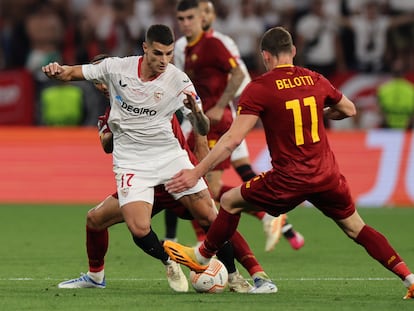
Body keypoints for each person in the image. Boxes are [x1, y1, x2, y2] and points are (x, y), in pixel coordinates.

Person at [163, 26, 414, 299]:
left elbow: (232, 139)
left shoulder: (259, 88)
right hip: (327, 175)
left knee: (229, 201)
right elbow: (349, 109)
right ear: (293, 51)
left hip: (289, 178)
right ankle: (409, 278)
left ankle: (203, 255)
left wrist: (197, 171)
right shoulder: (314, 78)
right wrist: (321, 113)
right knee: (356, 227)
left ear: (265, 56)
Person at [51, 47, 274, 293]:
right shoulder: (110, 115)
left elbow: (199, 128)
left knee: (213, 218)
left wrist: (201, 164)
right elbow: (106, 145)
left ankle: (248, 274)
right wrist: (118, 122)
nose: (103, 85)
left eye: (106, 79)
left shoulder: (151, 95)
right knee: (95, 219)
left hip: (175, 177)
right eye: (98, 82)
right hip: (143, 184)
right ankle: (100, 276)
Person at [169, 0, 304, 252]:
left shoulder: (220, 43)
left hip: (225, 117)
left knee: (208, 184)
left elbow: (239, 74)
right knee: (196, 179)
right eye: (182, 18)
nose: (190, 22)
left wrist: (224, 104)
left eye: (199, 14)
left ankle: (270, 221)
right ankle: (277, 224)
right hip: (201, 120)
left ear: (206, 16)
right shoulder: (181, 47)